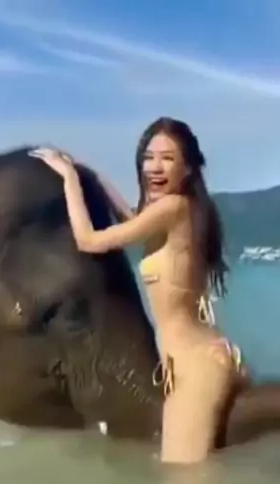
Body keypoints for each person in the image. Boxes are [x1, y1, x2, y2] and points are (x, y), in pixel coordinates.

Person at [29, 117, 249, 465]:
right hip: (208, 355)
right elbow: (132, 221)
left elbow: (89, 241)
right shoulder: (180, 211)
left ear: (188, 168)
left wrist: (69, 178)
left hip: (196, 369)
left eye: (168, 158)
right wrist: (91, 174)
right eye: (149, 157)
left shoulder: (173, 207)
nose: (155, 167)